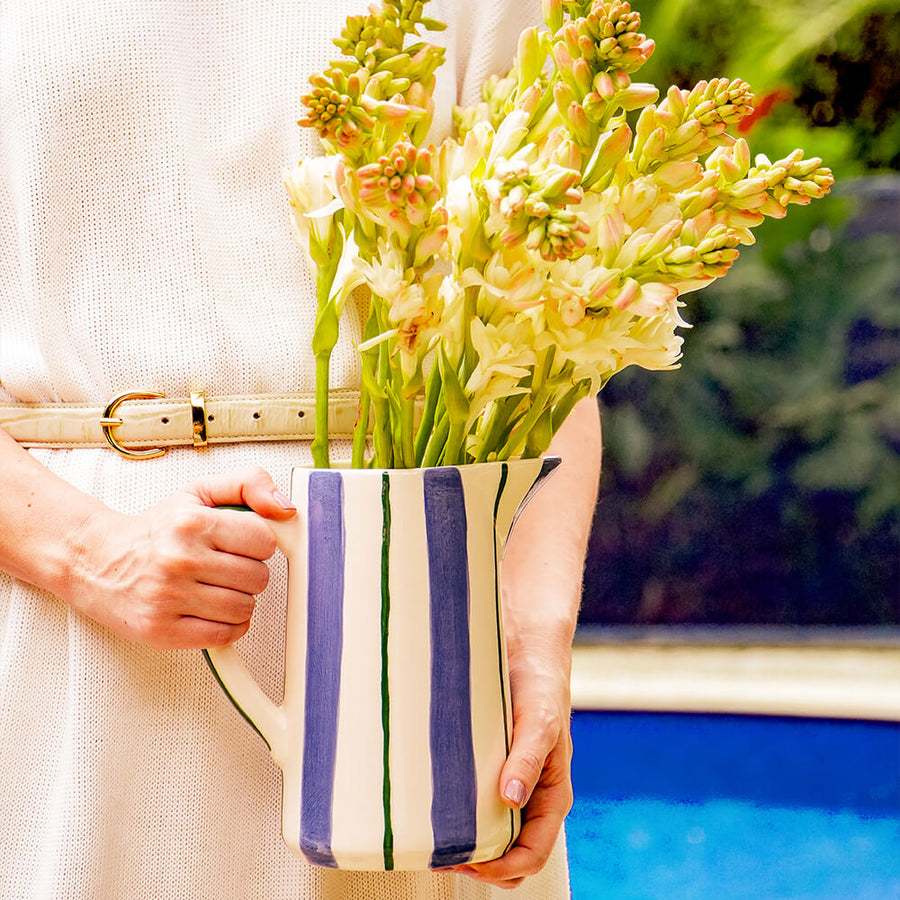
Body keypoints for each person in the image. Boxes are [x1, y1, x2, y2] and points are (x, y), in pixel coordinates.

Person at [0, 1, 602, 897]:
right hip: (71, 648)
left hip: (420, 667)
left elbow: (553, 333)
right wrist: (87, 551)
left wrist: (532, 641)